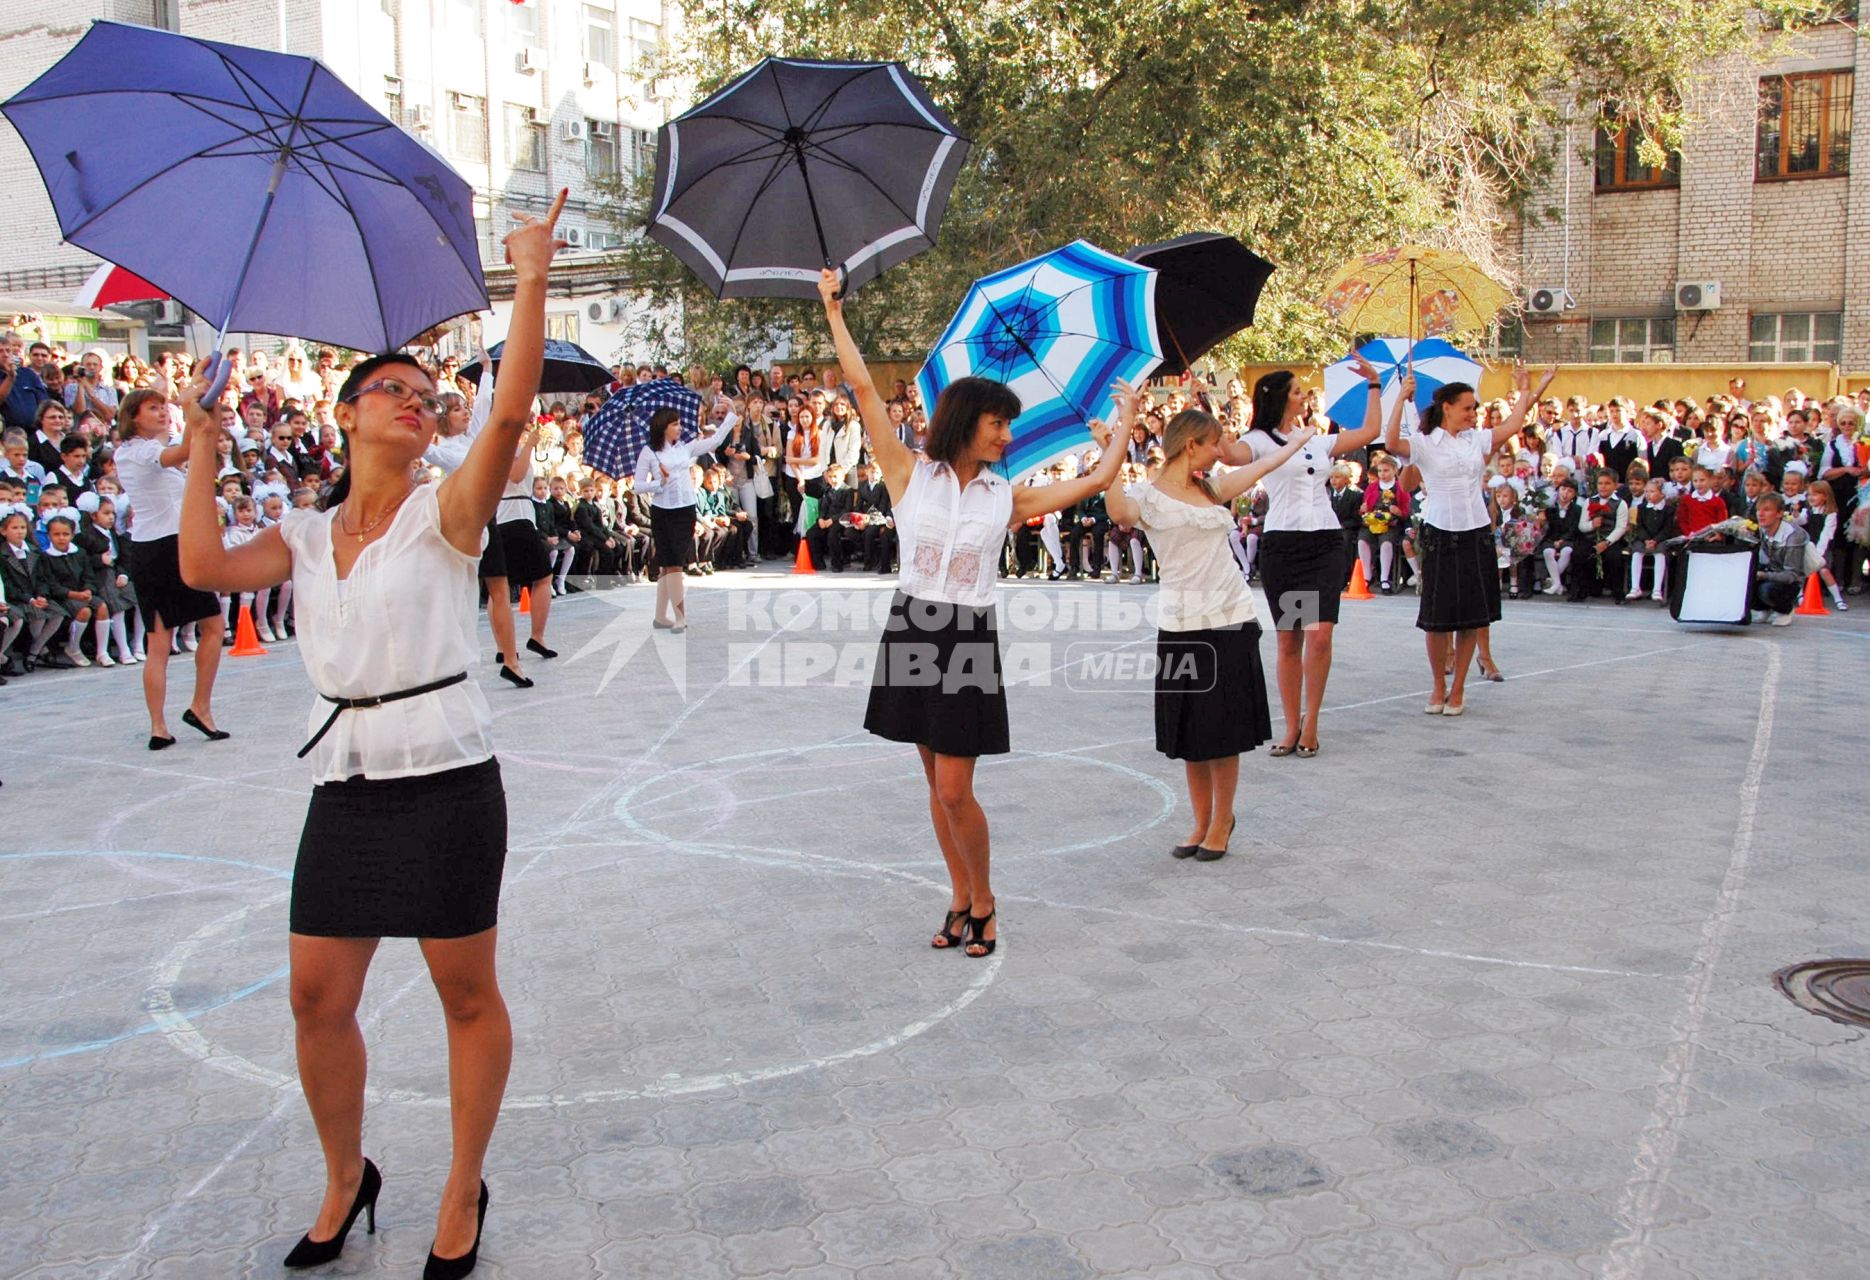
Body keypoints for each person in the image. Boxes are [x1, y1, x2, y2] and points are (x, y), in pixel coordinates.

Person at [174, 189, 568, 1280]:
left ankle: (461, 1184)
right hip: (344, 783)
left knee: (465, 993)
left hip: (445, 778)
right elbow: (202, 569)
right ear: (347, 414)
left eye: (425, 395)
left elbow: (508, 414)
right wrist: (203, 447)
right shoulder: (303, 532)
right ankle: (348, 1177)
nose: (414, 402)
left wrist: (527, 275)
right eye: (388, 389)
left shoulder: (445, 514)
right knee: (314, 997)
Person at [820, 267, 1126, 959]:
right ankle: (958, 894)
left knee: (957, 788)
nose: (1007, 435)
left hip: (967, 637)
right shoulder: (909, 474)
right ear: (966, 421)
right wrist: (833, 312)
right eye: (998, 422)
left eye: (1009, 424)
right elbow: (864, 388)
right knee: (934, 783)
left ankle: (985, 900)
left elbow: (1099, 480)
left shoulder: (1006, 496)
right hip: (911, 626)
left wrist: (1124, 421)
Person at [1103, 402, 1312, 856]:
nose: (1221, 451)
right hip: (1181, 624)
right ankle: (1199, 822)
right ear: (1191, 444)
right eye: (1214, 443)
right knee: (1191, 733)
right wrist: (1112, 450)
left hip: (1231, 618)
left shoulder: (1212, 488)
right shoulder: (1149, 497)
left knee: (1224, 729)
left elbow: (1260, 466)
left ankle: (1222, 820)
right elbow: (1118, 511)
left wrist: (1294, 443)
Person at [1216, 359, 1394, 756]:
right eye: (1297, 391)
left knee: (1320, 635)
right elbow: (1229, 455)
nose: (1304, 396)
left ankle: (1311, 721)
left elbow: (1370, 432)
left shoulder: (1316, 437)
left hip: (1325, 543)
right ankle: (1290, 725)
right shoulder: (1259, 439)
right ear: (1280, 397)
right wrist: (1219, 421)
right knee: (1289, 641)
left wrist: (1375, 386)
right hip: (1285, 545)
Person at [1385, 363, 1556, 716]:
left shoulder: (1475, 439)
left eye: (1475, 408)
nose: (1473, 414)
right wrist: (1401, 397)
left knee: (1470, 616)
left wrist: (1525, 389)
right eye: (1467, 407)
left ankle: (1459, 687)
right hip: (1439, 532)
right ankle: (1438, 685)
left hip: (1475, 532)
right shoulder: (1424, 443)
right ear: (1447, 407)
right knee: (1436, 617)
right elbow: (1390, 443)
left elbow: (1512, 426)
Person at [114, 386, 228, 748]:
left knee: (193, 631)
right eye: (153, 408)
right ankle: (175, 718)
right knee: (169, 637)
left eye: (164, 407)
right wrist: (189, 407)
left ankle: (181, 716)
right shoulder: (138, 452)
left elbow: (183, 447)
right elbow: (184, 450)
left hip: (164, 546)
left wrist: (192, 411)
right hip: (163, 549)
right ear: (134, 416)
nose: (162, 413)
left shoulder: (143, 452)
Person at [633, 403, 740, 632]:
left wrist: (731, 416)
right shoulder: (649, 452)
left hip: (685, 510)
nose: (680, 428)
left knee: (674, 564)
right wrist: (659, 482)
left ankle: (669, 615)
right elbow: (638, 485)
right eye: (675, 424)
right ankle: (671, 616)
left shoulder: (685, 448)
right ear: (663, 427)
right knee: (668, 565)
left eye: (680, 423)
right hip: (662, 511)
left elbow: (715, 441)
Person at [1750, 493, 1809, 626]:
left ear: (1779, 513)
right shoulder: (1763, 529)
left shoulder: (1793, 536)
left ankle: (1785, 610)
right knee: (1745, 584)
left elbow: (1792, 575)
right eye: (1759, 510)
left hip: (1789, 582)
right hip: (1771, 573)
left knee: (1767, 591)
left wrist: (1763, 575)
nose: (1760, 514)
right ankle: (1764, 609)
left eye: (1767, 510)